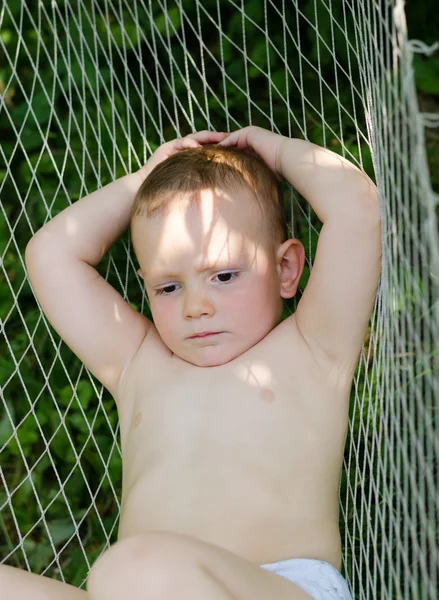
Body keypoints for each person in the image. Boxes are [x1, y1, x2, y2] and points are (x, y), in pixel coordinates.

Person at [5, 126, 381, 599]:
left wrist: (277, 151)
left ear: (286, 269)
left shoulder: (312, 348)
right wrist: (144, 180)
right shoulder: (139, 365)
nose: (195, 307)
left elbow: (358, 209)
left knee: (132, 569)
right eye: (169, 287)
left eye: (223, 275)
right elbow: (52, 254)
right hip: (141, 587)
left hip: (277, 587)